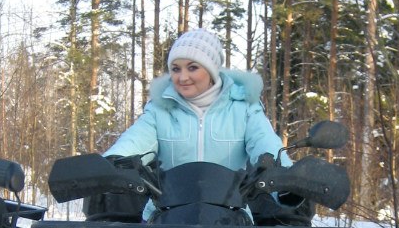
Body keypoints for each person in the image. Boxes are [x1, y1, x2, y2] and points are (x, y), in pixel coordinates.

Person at [104, 28, 289, 173]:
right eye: (176, 69)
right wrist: (111, 164)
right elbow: (135, 142)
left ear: (211, 70)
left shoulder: (244, 108)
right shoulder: (159, 110)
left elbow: (264, 142)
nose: (182, 77)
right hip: (167, 213)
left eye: (192, 68)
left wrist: (284, 173)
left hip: (230, 213)